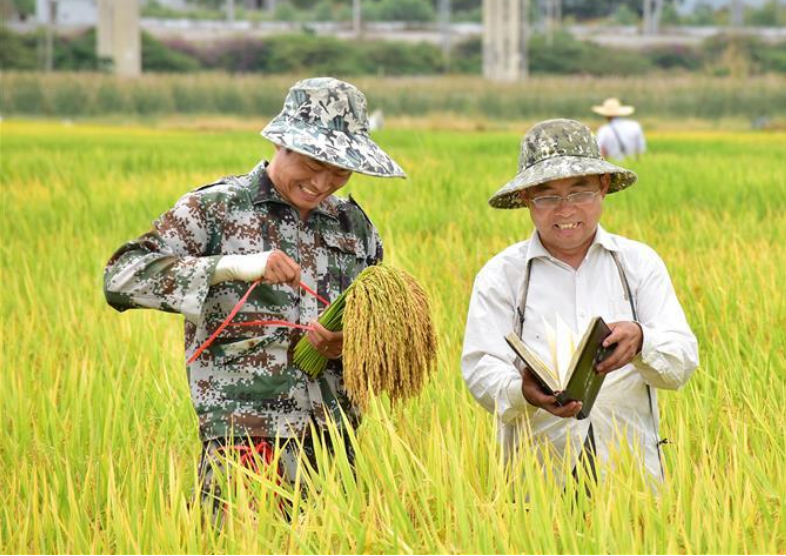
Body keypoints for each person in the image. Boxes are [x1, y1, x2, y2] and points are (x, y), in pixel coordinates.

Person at [103, 77, 406, 510]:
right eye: (312, 163)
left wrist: (348, 344)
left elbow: (377, 332)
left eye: (338, 170)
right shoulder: (216, 209)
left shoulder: (354, 228)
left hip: (331, 446)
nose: (322, 183)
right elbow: (120, 278)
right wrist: (234, 267)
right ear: (282, 144)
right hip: (243, 442)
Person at [461, 119, 698, 484]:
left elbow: (682, 360)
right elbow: (480, 369)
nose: (566, 210)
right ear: (526, 198)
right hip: (536, 479)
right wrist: (520, 391)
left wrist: (641, 341)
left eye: (579, 192)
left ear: (602, 187)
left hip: (631, 474)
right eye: (547, 196)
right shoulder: (502, 276)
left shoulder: (637, 265)